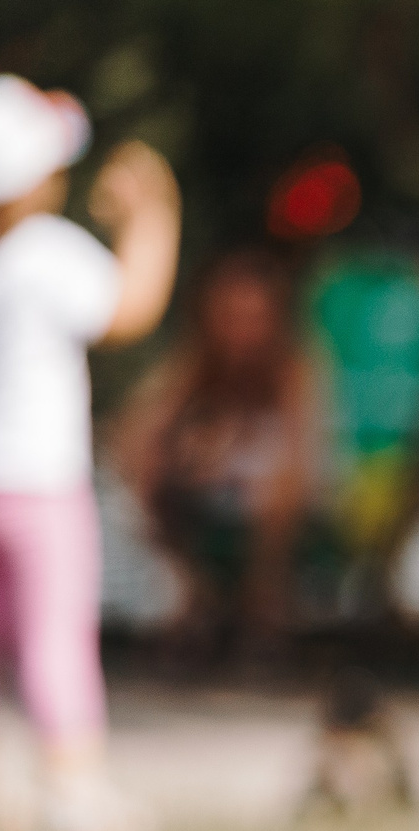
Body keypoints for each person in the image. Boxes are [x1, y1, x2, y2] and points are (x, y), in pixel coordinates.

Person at [0, 76, 178, 831]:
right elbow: (131, 307)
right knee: (53, 632)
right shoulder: (42, 255)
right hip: (32, 483)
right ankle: (70, 785)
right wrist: (154, 215)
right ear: (29, 185)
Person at [111, 247, 325, 668]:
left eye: (253, 318)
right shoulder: (195, 364)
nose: (241, 331)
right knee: (151, 476)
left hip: (284, 497)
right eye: (230, 317)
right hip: (213, 490)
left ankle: (260, 615)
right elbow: (136, 434)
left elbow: (304, 454)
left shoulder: (293, 370)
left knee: (279, 492)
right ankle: (197, 602)